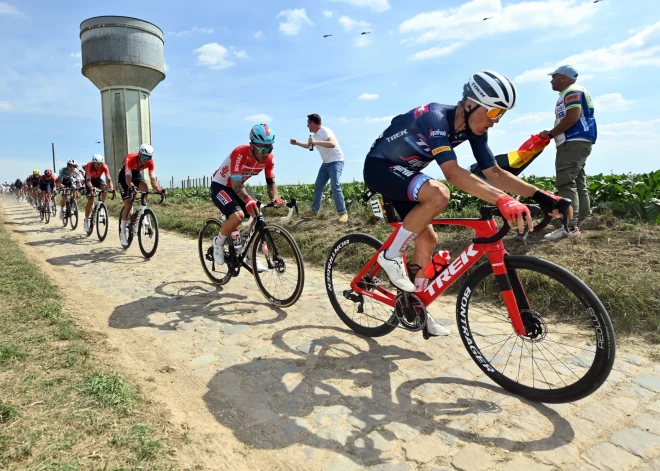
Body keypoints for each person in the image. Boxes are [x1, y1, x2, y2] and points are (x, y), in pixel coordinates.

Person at [364, 71, 572, 336]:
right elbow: (452, 173)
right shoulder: (435, 118)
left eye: (502, 115)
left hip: (406, 177)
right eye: (495, 113)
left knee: (427, 239)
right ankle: (389, 255)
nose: (495, 122)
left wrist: (542, 197)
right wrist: (504, 200)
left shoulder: (473, 130)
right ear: (471, 103)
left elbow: (494, 173)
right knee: (439, 193)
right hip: (380, 168)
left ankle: (415, 306)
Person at [210, 124, 285, 272]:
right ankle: (218, 244)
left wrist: (275, 198)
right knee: (237, 216)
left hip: (238, 188)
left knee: (257, 215)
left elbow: (271, 183)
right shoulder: (239, 153)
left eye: (269, 149)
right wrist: (248, 200)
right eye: (262, 149)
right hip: (221, 185)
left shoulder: (269, 158)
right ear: (251, 145)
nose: (265, 153)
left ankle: (251, 257)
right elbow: (236, 184)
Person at [539, 65, 596, 241]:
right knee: (578, 183)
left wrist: (550, 133)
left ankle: (569, 227)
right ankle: (579, 222)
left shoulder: (572, 91)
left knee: (565, 183)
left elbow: (572, 117)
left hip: (572, 142)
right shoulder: (573, 91)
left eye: (554, 77)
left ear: (563, 77)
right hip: (579, 141)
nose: (551, 80)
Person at [290, 113, 348, 223]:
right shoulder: (315, 135)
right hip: (326, 163)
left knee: (335, 185)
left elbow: (332, 144)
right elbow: (309, 146)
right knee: (318, 186)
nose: (307, 126)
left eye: (308, 123)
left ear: (312, 122)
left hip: (336, 161)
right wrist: (296, 143)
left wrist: (315, 142)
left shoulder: (325, 131)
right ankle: (314, 211)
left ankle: (343, 213)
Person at [118, 144, 166, 246]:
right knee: (128, 203)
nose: (147, 159)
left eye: (149, 157)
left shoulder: (151, 163)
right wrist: (132, 187)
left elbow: (153, 181)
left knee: (145, 188)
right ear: (139, 154)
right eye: (145, 156)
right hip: (125, 177)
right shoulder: (129, 158)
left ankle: (143, 212)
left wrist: (159, 189)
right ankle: (122, 232)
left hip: (136, 175)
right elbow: (128, 179)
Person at [83, 154, 115, 233]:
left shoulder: (104, 166)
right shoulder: (89, 166)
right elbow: (88, 181)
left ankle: (102, 206)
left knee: (105, 187)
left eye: (100, 164)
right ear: (93, 163)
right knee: (90, 200)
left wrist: (112, 188)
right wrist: (91, 188)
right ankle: (86, 220)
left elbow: (108, 179)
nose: (99, 166)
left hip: (97, 179)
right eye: (97, 164)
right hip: (89, 181)